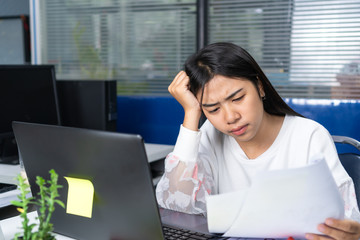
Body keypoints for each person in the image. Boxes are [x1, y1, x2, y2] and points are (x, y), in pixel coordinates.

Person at [155, 42, 360, 240]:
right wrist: (191, 114)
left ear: (260, 87)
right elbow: (177, 206)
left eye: (237, 99)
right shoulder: (210, 133)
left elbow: (343, 223)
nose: (230, 117)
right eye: (213, 109)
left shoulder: (309, 136)